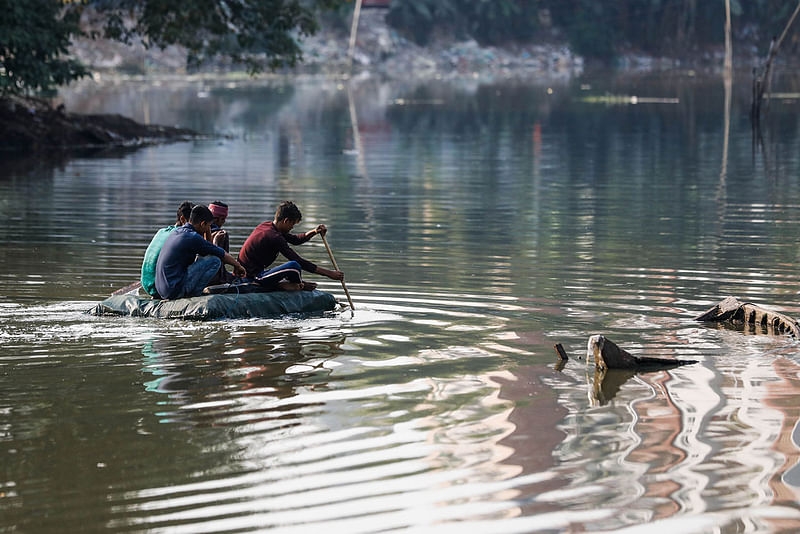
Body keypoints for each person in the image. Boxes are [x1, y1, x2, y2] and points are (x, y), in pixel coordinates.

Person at [238, 200, 344, 291]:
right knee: (294, 266)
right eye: (292, 224)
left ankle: (293, 284)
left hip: (256, 272)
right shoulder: (274, 237)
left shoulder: (268, 226)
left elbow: (295, 240)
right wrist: (329, 273)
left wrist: (315, 231)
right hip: (252, 277)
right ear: (286, 221)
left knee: (294, 266)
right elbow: (298, 260)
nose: (292, 227)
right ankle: (298, 285)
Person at [155, 205, 246, 300]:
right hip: (175, 291)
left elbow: (209, 247)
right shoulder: (193, 237)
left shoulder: (177, 231)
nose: (209, 228)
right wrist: (238, 266)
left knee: (206, 256)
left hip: (163, 291)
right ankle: (195, 295)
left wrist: (207, 230)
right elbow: (220, 254)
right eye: (208, 226)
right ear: (202, 224)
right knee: (215, 260)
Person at [141, 201, 194, 298]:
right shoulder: (181, 236)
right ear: (183, 219)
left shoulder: (161, 231)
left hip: (148, 286)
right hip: (161, 288)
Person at [207, 201, 234, 285]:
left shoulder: (195, 231)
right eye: (223, 219)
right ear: (221, 219)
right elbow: (224, 260)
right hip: (215, 279)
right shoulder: (222, 234)